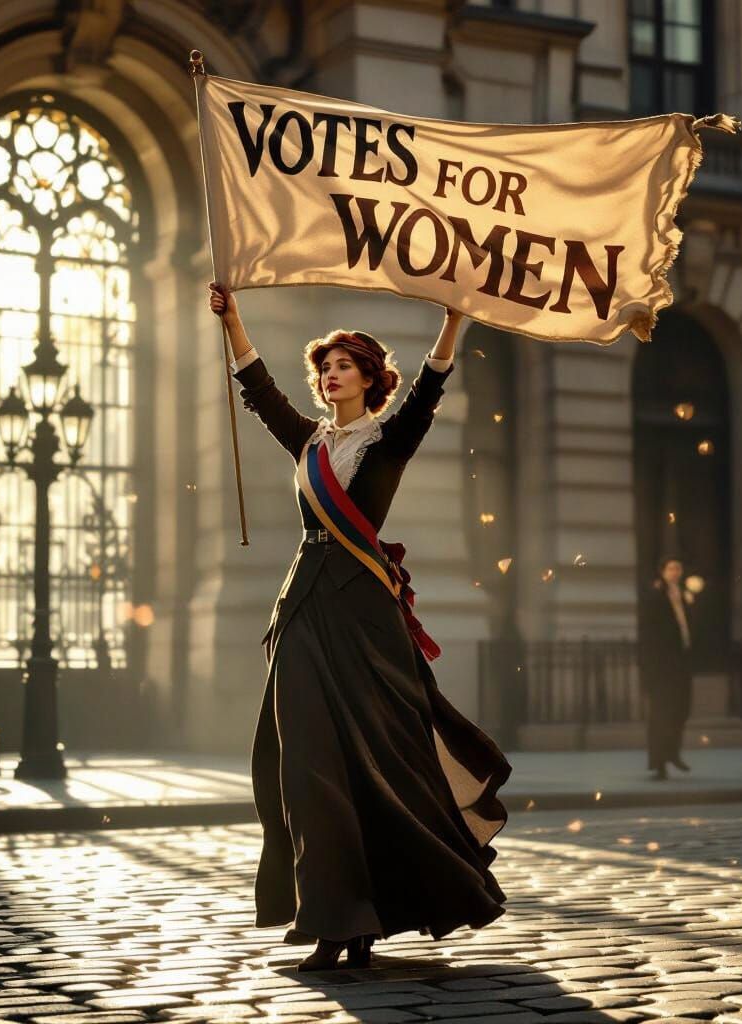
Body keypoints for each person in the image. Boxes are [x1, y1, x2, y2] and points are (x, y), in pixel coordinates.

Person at [209, 282, 511, 972]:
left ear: (371, 380)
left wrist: (452, 322)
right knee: (306, 766)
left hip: (365, 622)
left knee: (375, 767)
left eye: (345, 364)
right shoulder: (309, 441)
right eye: (325, 365)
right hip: (303, 610)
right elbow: (257, 389)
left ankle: (369, 914)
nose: (330, 373)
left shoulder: (389, 439)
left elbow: (431, 389)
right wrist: (234, 319)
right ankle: (332, 917)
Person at [639, 556, 695, 781]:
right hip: (662, 666)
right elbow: (650, 633)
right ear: (662, 571)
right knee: (661, 714)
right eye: (671, 568)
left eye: (678, 568)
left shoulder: (683, 595)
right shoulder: (655, 596)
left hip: (681, 663)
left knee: (680, 710)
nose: (675, 572)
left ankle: (673, 753)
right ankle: (659, 762)